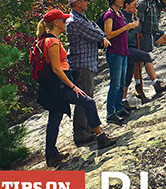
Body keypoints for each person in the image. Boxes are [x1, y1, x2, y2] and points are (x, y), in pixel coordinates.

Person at [35, 9, 117, 167]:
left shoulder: (46, 39)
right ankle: (101, 137)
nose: (66, 23)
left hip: (51, 87)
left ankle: (51, 155)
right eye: (64, 21)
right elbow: (56, 69)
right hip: (58, 86)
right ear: (57, 23)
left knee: (55, 119)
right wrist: (73, 87)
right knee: (87, 102)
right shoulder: (52, 42)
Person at [65, 0, 113, 144]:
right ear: (78, 3)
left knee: (88, 96)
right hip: (82, 64)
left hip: (87, 62)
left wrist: (102, 35)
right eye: (85, 0)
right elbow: (95, 33)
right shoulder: (75, 21)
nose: (87, 2)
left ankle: (87, 128)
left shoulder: (81, 18)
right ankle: (80, 133)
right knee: (84, 98)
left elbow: (95, 27)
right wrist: (103, 37)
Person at [123, 0, 166, 104]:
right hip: (126, 47)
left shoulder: (132, 15)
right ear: (127, 5)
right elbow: (126, 35)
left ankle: (124, 100)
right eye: (134, 5)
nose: (136, 7)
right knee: (144, 57)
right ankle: (155, 83)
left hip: (133, 46)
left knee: (129, 73)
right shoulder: (123, 17)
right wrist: (135, 29)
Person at [101, 0, 139, 124]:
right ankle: (110, 113)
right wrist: (126, 27)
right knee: (115, 84)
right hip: (115, 52)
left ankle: (118, 108)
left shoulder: (119, 14)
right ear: (113, 0)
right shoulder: (109, 15)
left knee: (122, 82)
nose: (122, 0)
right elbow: (108, 34)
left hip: (123, 51)